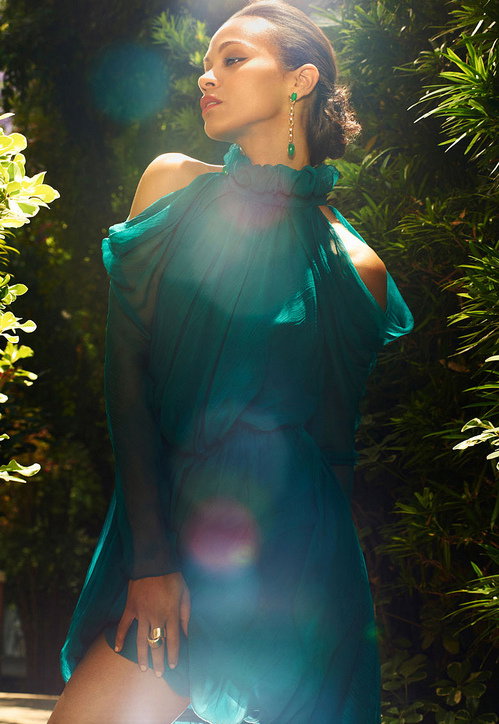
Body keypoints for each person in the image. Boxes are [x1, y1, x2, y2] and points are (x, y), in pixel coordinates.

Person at [49, 1, 413, 722]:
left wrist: (324, 611)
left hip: (297, 559)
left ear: (300, 80)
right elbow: (127, 382)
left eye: (233, 58)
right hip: (176, 537)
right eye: (205, 63)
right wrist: (153, 561)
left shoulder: (356, 265)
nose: (205, 76)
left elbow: (334, 448)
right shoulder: (172, 185)